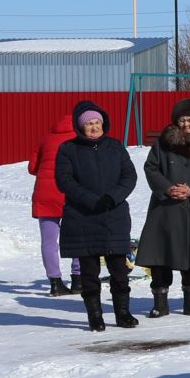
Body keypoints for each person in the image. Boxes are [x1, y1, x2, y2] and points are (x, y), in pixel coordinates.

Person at [55, 101, 139, 333]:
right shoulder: (68, 149)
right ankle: (95, 316)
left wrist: (113, 197)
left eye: (96, 122)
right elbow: (65, 181)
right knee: (89, 273)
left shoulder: (115, 146)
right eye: (88, 124)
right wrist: (92, 200)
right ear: (80, 127)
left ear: (103, 123)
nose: (93, 127)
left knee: (119, 271)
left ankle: (123, 313)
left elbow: (129, 176)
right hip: (83, 218)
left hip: (114, 216)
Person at [138, 98, 190, 318]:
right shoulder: (163, 143)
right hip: (164, 208)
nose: (187, 125)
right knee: (160, 255)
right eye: (183, 120)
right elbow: (151, 168)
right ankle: (160, 302)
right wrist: (167, 188)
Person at [27, 113, 77, 295]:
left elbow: (32, 167)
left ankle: (55, 283)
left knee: (49, 241)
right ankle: (78, 280)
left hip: (45, 194)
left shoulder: (46, 138)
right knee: (77, 237)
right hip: (70, 194)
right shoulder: (78, 139)